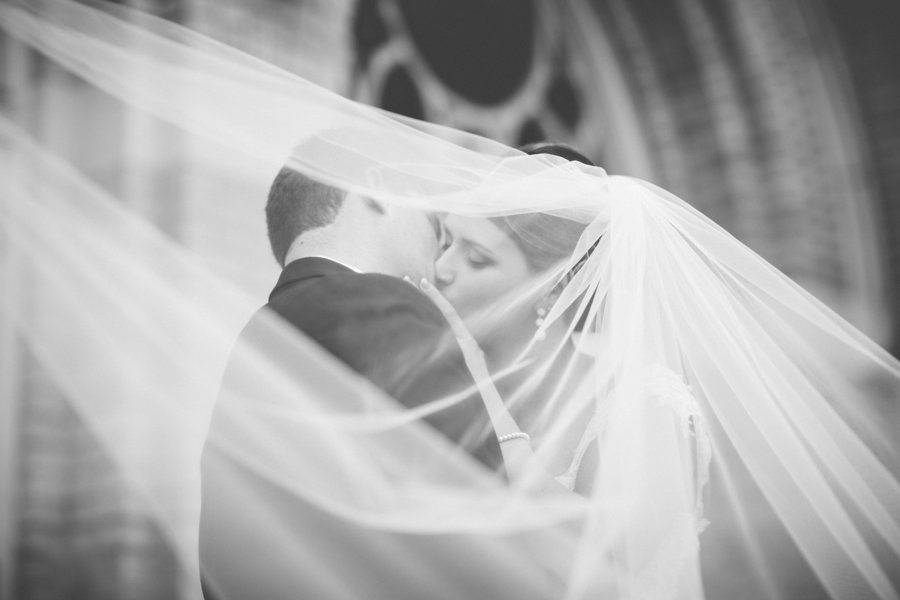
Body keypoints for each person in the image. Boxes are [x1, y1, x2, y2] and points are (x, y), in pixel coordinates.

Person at [5, 3, 900, 599]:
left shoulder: (280, 333)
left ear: (552, 284)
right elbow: (496, 531)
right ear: (374, 192)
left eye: (467, 251)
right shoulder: (382, 318)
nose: (437, 267)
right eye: (444, 235)